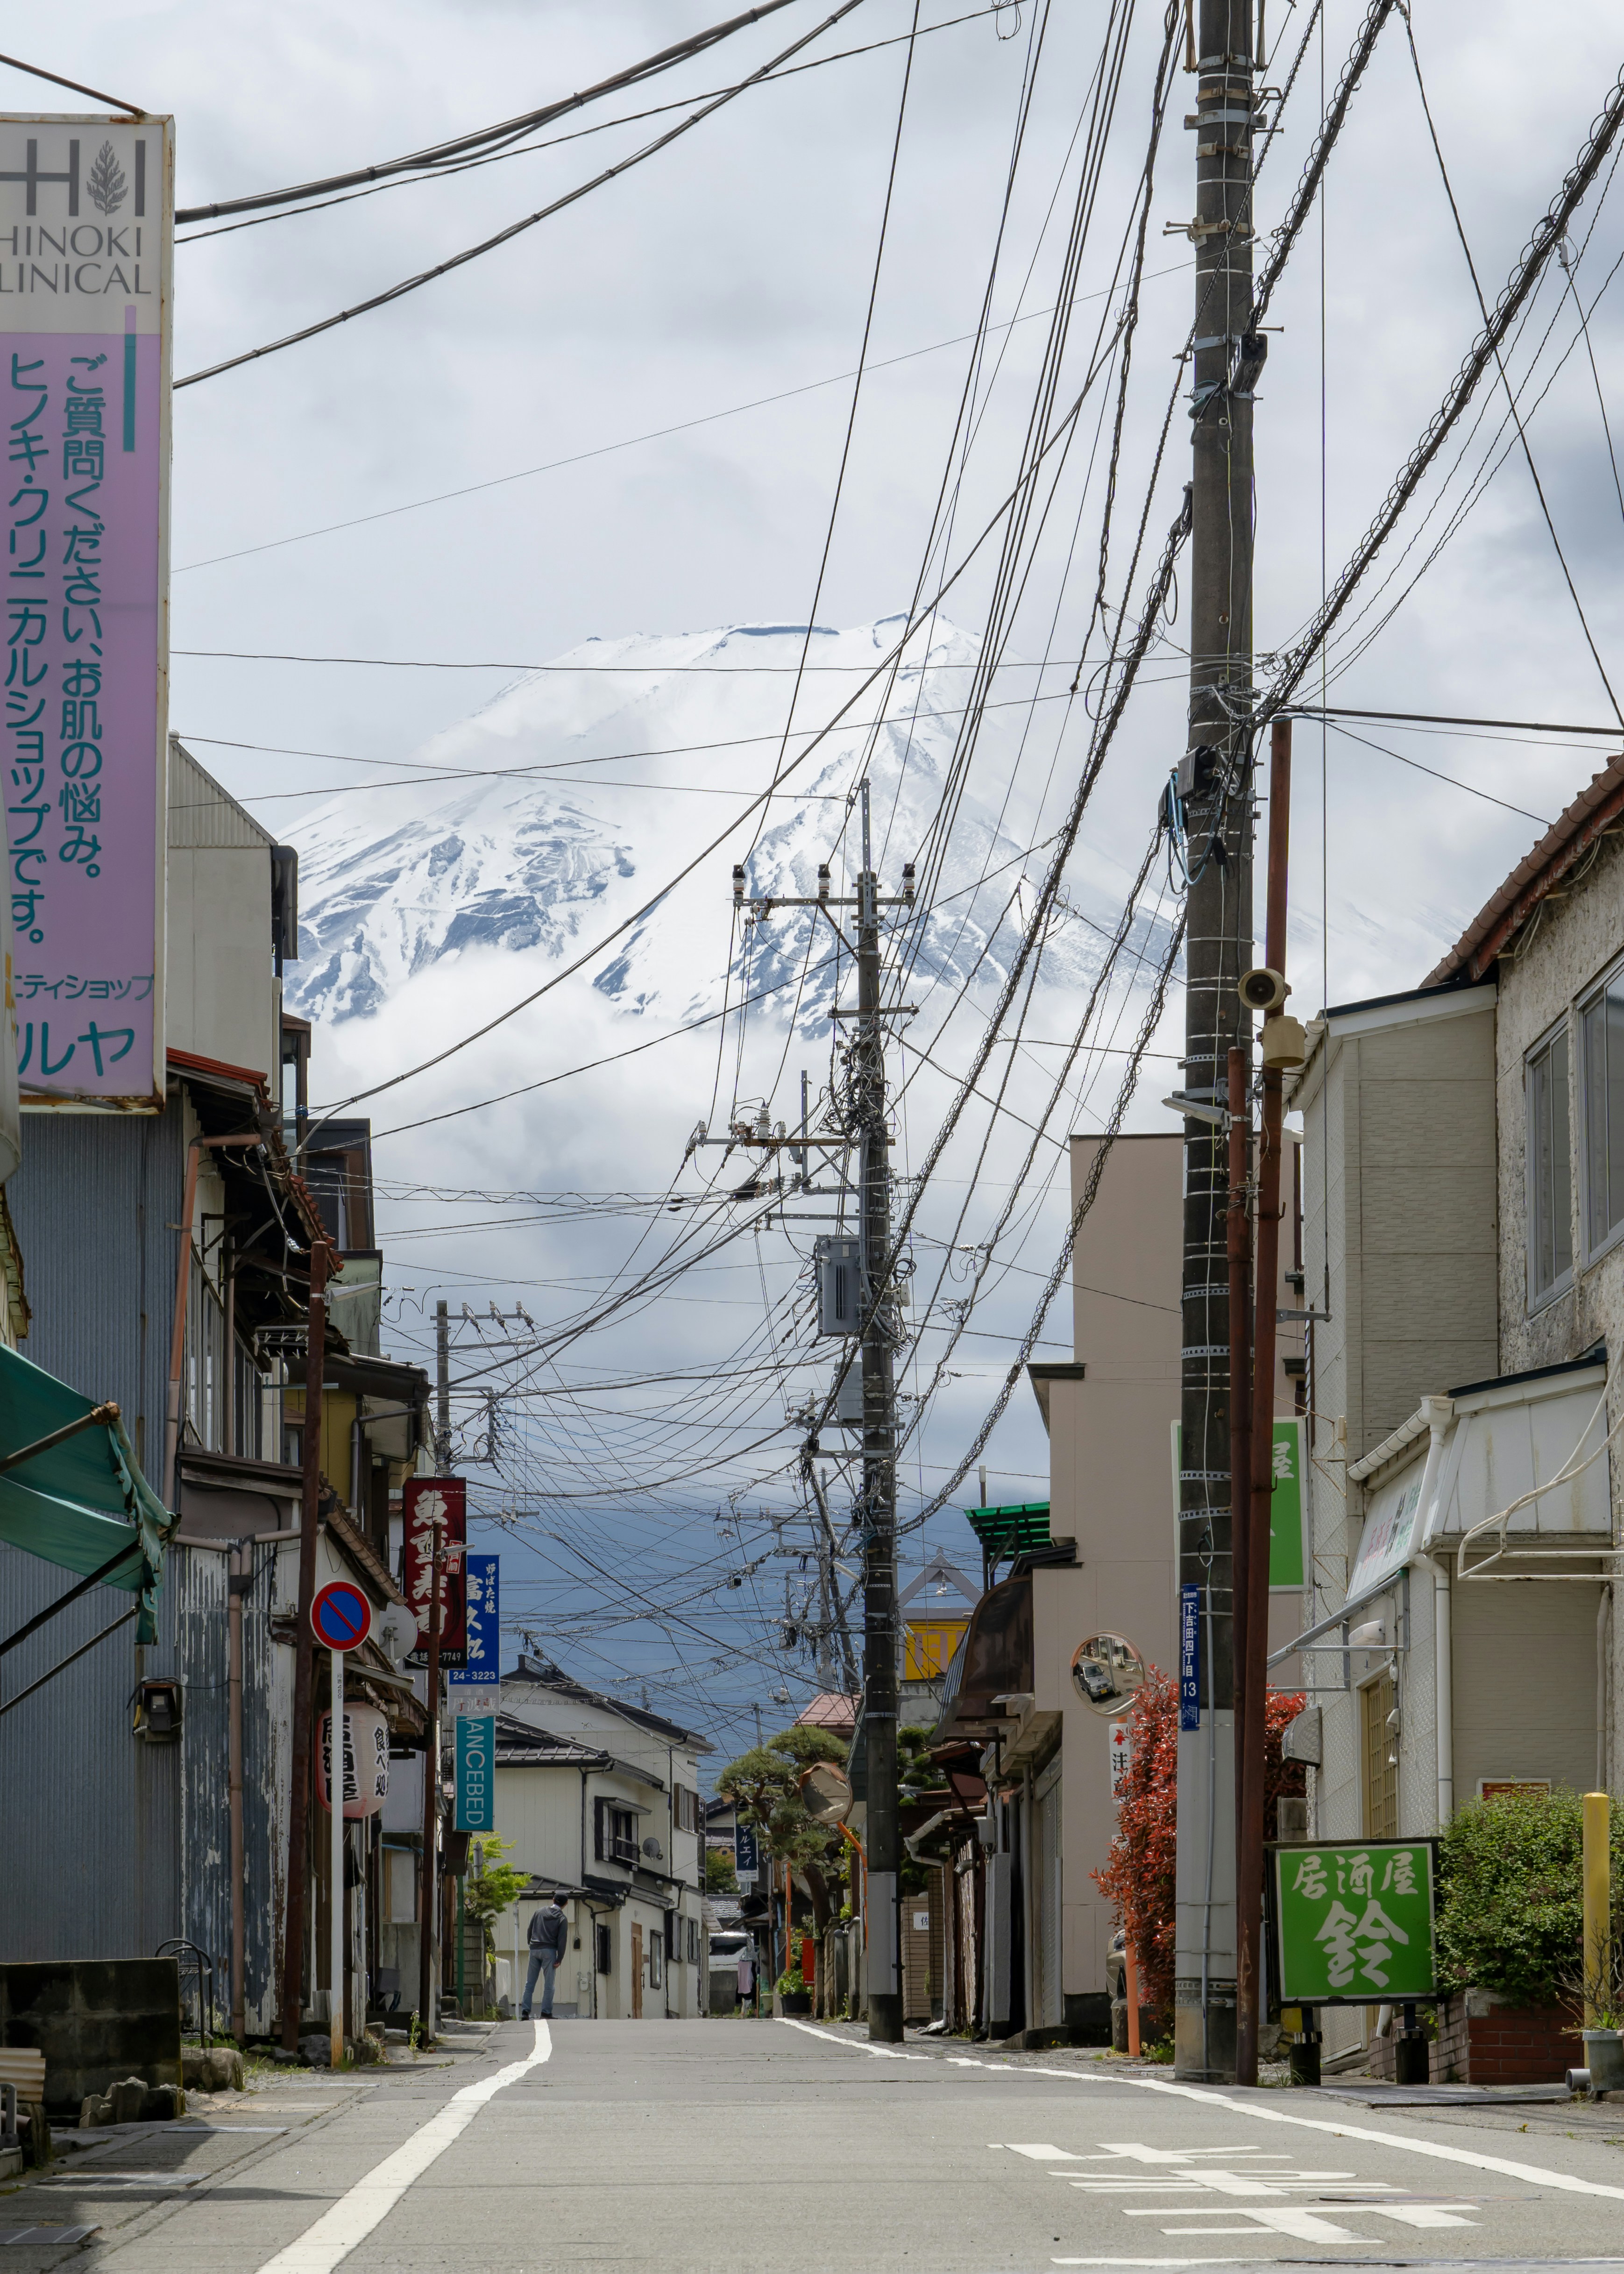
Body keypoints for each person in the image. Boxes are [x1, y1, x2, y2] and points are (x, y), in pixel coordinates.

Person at [522, 1891, 568, 2020]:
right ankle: (546, 2012)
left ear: (553, 1900)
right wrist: (560, 1959)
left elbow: (529, 1930)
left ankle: (525, 2012)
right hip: (550, 1951)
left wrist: (531, 1944)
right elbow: (562, 1940)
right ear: (566, 1904)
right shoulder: (562, 1919)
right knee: (549, 1985)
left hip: (535, 1949)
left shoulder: (539, 1912)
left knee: (530, 1983)